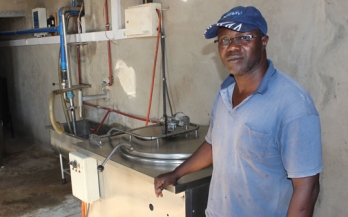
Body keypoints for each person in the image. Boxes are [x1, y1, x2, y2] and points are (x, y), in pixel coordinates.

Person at [154, 5, 322, 217]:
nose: (232, 47)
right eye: (225, 40)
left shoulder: (293, 105)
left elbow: (307, 187)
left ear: (263, 42)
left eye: (244, 38)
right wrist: (177, 173)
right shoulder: (225, 93)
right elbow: (214, 144)